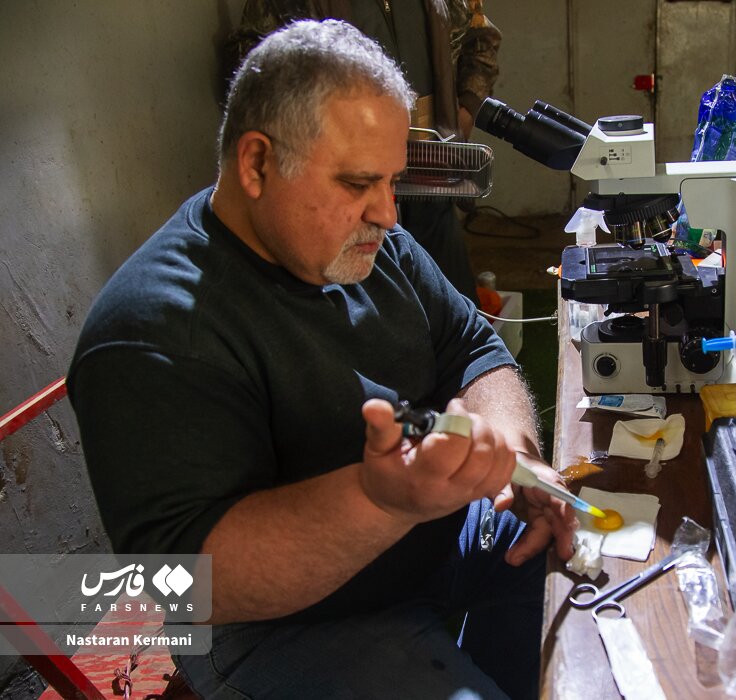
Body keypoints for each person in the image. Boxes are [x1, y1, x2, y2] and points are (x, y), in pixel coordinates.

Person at [68, 19, 575, 700]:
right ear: (256, 164)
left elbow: (472, 346)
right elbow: (188, 584)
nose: (388, 213)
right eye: (359, 183)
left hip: (428, 539)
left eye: (392, 181)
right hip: (282, 627)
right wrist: (379, 502)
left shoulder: (367, 241)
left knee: (586, 581)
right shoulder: (154, 330)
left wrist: (515, 454)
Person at [224, 0, 502, 305]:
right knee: (363, 304)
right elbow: (251, 65)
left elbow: (480, 37)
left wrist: (466, 107)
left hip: (434, 173)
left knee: (451, 301)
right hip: (347, 196)